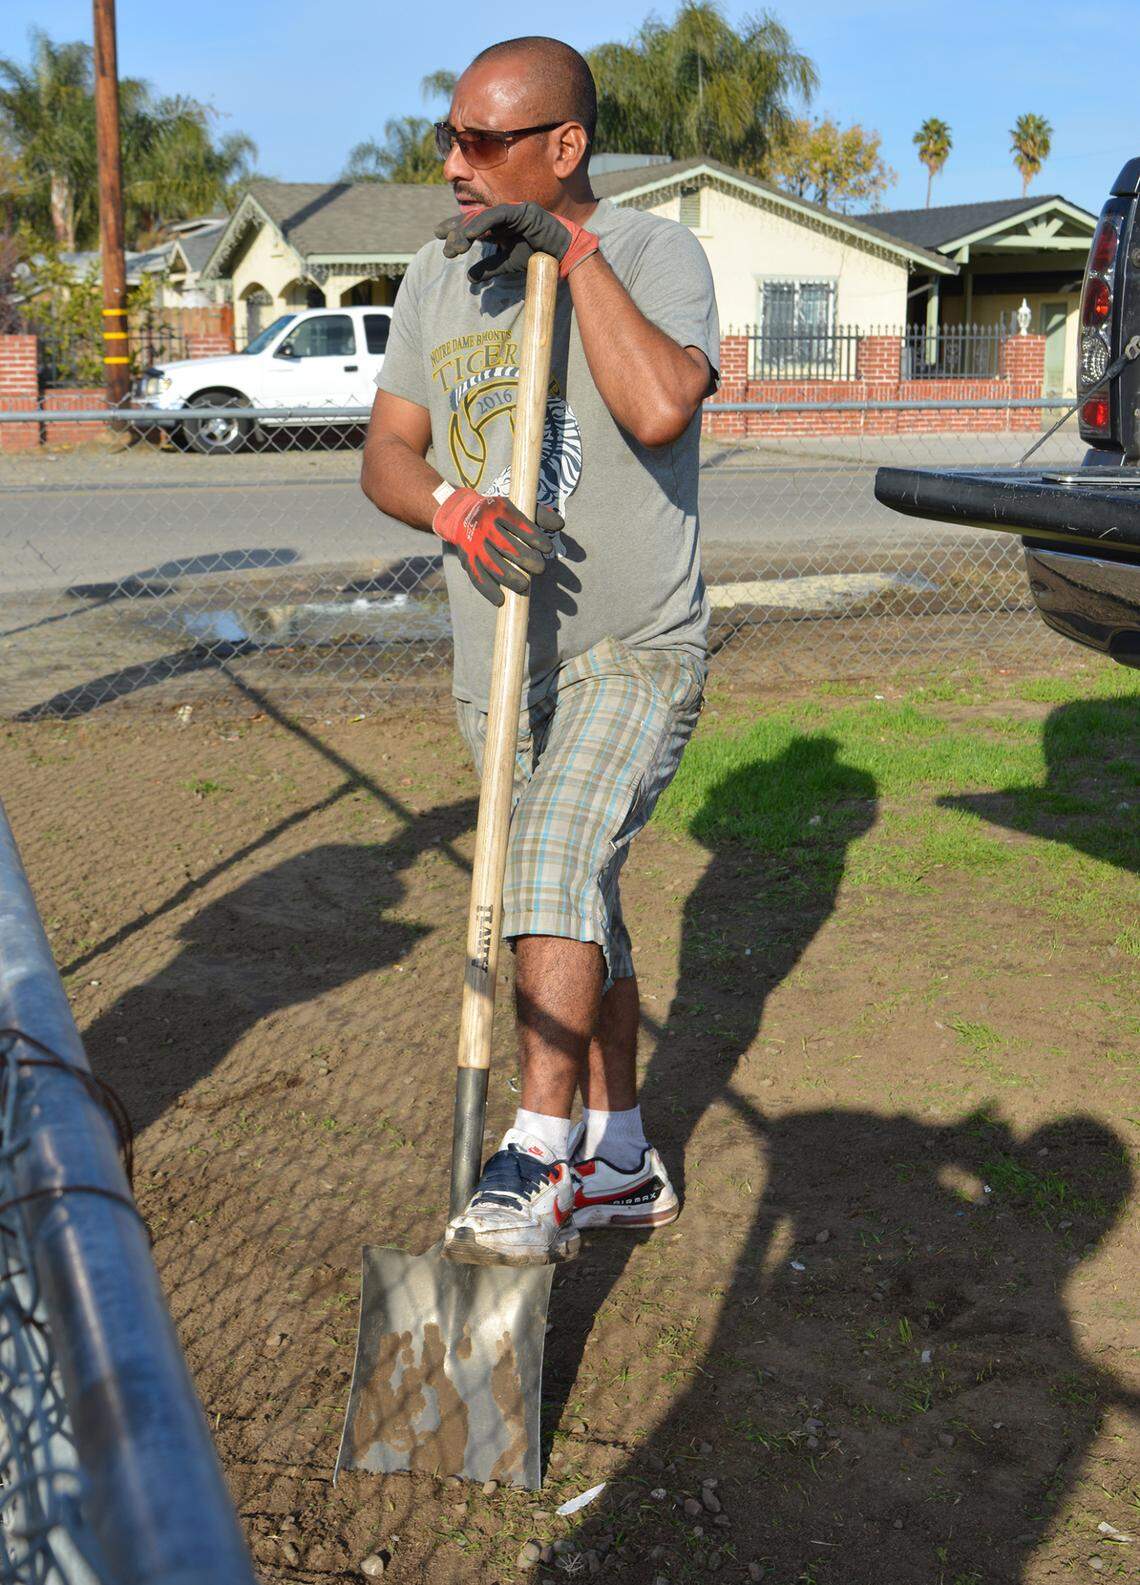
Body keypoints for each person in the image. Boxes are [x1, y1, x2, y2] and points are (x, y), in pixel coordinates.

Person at [360, 34, 719, 1266]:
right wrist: (455, 509)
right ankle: (621, 1159)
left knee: (552, 866)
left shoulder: (657, 253)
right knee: (580, 907)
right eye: (449, 136)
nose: (454, 164)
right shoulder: (436, 276)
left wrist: (573, 250)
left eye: (483, 141)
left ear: (565, 147)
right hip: (499, 670)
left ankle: (535, 1155)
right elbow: (387, 453)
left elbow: (662, 404)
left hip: (632, 647)